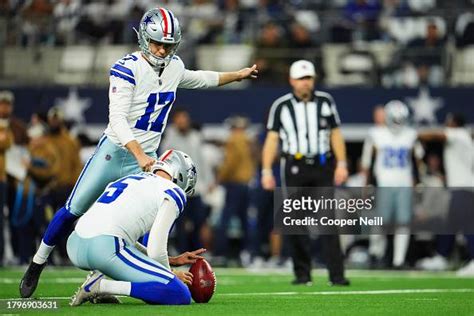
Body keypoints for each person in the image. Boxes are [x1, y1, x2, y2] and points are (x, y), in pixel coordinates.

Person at [20, 6, 258, 298]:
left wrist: (238, 75)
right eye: (157, 42)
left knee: (144, 220)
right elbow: (117, 120)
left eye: (168, 45)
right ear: (144, 38)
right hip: (117, 152)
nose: (161, 49)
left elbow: (201, 78)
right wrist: (139, 154)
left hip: (144, 158)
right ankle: (37, 262)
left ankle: (133, 276)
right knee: (74, 209)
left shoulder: (174, 67)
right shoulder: (127, 67)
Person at [67, 149, 204, 306]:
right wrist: (170, 274)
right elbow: (155, 249)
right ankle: (102, 286)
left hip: (75, 244)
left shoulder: (130, 178)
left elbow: (121, 236)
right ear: (182, 177)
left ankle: (99, 280)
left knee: (120, 245)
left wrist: (171, 260)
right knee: (178, 293)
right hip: (104, 249)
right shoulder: (173, 191)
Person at [261, 60, 349, 286]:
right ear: (291, 81)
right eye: (300, 78)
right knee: (295, 221)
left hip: (322, 165)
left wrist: (341, 163)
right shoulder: (281, 106)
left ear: (314, 80)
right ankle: (302, 274)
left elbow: (335, 134)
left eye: (308, 78)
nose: (305, 83)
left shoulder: (326, 102)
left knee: (328, 221)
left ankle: (337, 276)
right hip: (294, 166)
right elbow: (272, 140)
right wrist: (266, 170)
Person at [361, 100, 424, 268]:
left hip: (404, 183)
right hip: (384, 183)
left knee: (403, 223)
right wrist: (365, 185)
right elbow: (367, 163)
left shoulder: (411, 134)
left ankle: (399, 260)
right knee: (380, 221)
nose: (397, 123)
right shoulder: (376, 133)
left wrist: (418, 184)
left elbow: (417, 161)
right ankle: (375, 253)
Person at [417, 113, 474, 275]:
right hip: (461, 188)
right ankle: (442, 256)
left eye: (448, 122)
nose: (445, 124)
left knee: (468, 226)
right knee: (450, 224)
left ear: (454, 123)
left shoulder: (459, 133)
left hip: (463, 189)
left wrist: (417, 134)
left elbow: (435, 135)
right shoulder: (466, 138)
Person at [161, 108, 213, 253]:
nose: (182, 121)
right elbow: (166, 162)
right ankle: (181, 251)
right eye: (179, 118)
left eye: (184, 118)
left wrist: (208, 180)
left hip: (197, 187)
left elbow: (201, 160)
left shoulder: (196, 136)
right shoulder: (170, 138)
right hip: (178, 189)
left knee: (199, 221)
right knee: (179, 223)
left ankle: (196, 251)